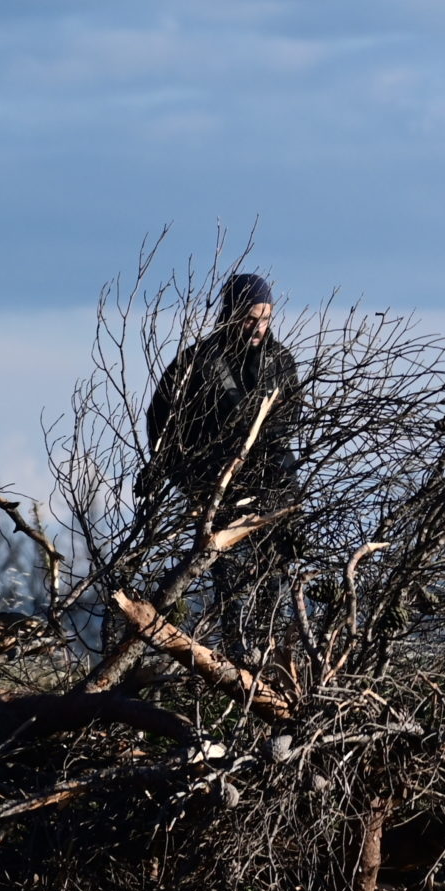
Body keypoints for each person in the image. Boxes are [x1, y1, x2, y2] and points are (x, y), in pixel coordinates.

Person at [145, 274, 304, 646]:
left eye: (265, 318)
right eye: (250, 318)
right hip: (218, 493)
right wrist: (191, 481)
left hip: (273, 489)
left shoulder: (281, 362)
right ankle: (234, 656)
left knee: (275, 580)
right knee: (228, 583)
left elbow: (289, 421)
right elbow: (161, 426)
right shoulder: (193, 363)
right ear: (230, 313)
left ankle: (268, 657)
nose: (258, 327)